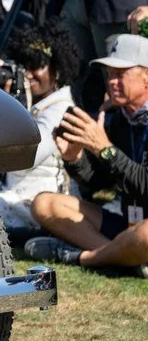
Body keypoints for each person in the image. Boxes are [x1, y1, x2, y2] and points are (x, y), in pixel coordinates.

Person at [28, 33, 148, 273]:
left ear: (146, 77)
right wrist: (75, 158)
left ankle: (86, 258)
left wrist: (105, 149)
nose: (112, 81)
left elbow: (145, 184)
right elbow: (101, 184)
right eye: (110, 74)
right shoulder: (120, 119)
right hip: (129, 225)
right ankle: (125, 259)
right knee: (44, 204)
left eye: (120, 74)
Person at [0, 22, 79, 238]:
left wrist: (15, 108)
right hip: (12, 192)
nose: (28, 74)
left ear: (58, 69)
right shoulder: (38, 103)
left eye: (36, 66)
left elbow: (27, 156)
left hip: (38, 201)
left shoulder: (61, 108)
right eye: (24, 66)